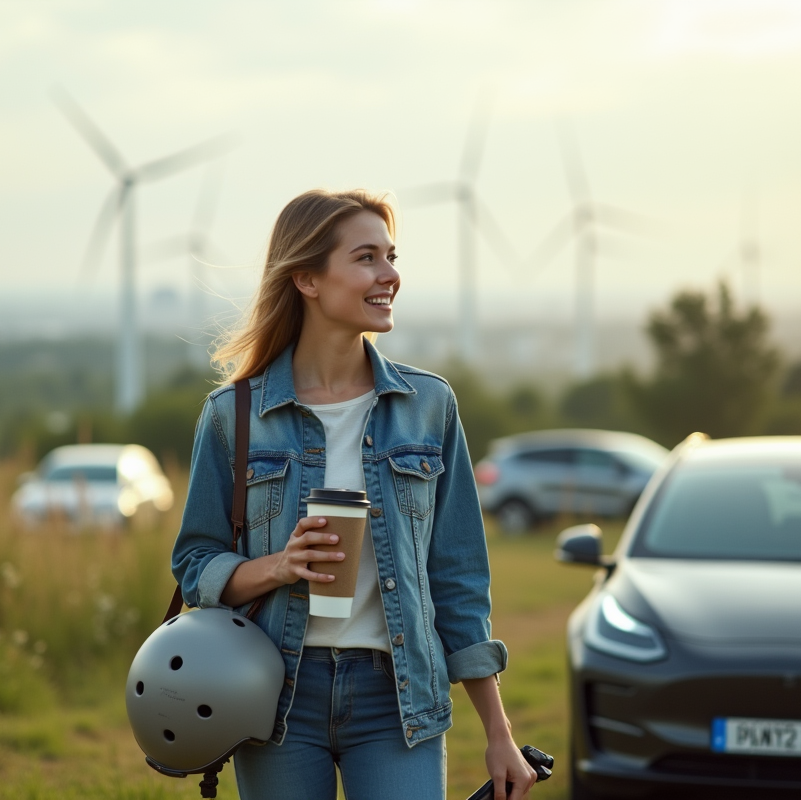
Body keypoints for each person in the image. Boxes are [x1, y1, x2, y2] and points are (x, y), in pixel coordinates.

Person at [172, 189, 537, 800]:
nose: (390, 275)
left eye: (391, 256)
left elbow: (458, 578)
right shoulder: (233, 415)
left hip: (398, 699)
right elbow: (195, 565)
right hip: (274, 696)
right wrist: (277, 567)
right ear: (307, 279)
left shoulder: (428, 408)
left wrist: (498, 731)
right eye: (367, 257)